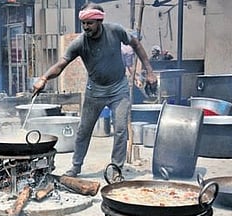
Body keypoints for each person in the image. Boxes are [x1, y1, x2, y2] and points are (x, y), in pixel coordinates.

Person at [33, 3, 157, 177]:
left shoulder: (115, 31)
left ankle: (115, 168)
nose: (86, 27)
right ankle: (75, 167)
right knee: (84, 130)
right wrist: (44, 78)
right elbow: (61, 64)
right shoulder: (79, 43)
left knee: (120, 129)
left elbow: (135, 44)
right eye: (83, 23)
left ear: (99, 20)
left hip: (118, 89)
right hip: (94, 91)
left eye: (90, 23)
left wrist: (149, 71)